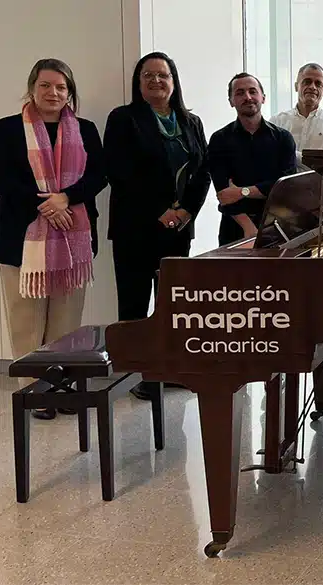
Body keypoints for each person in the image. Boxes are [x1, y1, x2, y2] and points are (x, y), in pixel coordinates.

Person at [0, 58, 106, 419]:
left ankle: (63, 388)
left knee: (66, 322)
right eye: (45, 86)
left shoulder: (85, 130)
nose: (52, 93)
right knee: (27, 321)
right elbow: (0, 179)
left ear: (69, 93)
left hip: (74, 238)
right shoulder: (7, 128)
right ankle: (33, 393)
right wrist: (48, 206)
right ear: (32, 88)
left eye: (60, 87)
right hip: (21, 239)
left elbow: (99, 175)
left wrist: (65, 199)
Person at [105, 52, 211, 400]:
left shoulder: (190, 122)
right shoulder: (123, 119)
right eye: (147, 75)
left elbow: (203, 172)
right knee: (135, 306)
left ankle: (169, 369)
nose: (156, 81)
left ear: (173, 81)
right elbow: (120, 173)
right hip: (136, 226)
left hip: (178, 228)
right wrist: (159, 211)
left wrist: (186, 212)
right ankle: (139, 375)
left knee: (173, 303)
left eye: (162, 75)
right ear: (138, 83)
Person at [208, 72, 298, 246]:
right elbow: (224, 194)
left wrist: (242, 191)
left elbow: (285, 187)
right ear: (231, 101)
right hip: (235, 228)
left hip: (278, 227)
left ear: (263, 97)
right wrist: (249, 229)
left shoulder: (283, 138)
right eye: (240, 93)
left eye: (252, 91)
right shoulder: (219, 139)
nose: (247, 97)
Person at [270, 62, 323, 161]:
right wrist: (315, 161)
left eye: (318, 84)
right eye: (307, 82)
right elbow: (270, 160)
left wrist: (288, 153)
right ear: (296, 86)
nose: (312, 87)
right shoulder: (277, 123)